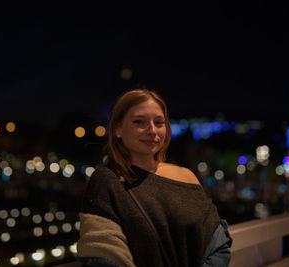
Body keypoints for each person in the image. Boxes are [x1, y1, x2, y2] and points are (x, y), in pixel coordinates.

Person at [76, 89, 232, 267]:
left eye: (159, 122)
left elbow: (217, 243)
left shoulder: (186, 177)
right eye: (139, 122)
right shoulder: (107, 180)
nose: (152, 130)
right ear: (118, 129)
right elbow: (103, 253)